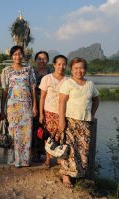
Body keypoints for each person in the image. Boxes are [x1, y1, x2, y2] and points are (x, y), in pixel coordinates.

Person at [58, 57, 99, 188]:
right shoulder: (68, 83)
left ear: (85, 70)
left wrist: (91, 114)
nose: (79, 70)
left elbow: (96, 100)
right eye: (76, 68)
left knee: (82, 149)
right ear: (71, 69)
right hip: (70, 121)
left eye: (81, 68)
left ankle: (77, 174)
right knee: (68, 148)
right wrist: (61, 120)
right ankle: (66, 175)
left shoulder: (90, 84)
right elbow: (62, 102)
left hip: (85, 123)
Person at [0, 45, 37, 167]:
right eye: (15, 54)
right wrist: (2, 109)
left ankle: (24, 160)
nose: (17, 56)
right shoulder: (6, 71)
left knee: (26, 133)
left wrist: (35, 106)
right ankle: (13, 159)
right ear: (11, 56)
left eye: (20, 54)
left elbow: (32, 89)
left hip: (26, 105)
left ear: (23, 55)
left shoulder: (29, 70)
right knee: (13, 132)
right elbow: (4, 91)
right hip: (12, 106)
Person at [39, 55, 68, 168]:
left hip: (63, 113)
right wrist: (41, 114)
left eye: (64, 64)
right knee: (49, 137)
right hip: (49, 112)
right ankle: (47, 159)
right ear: (54, 65)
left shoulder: (68, 80)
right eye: (59, 64)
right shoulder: (47, 78)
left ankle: (59, 159)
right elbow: (42, 97)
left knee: (62, 137)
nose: (61, 66)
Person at [32, 51, 51, 162]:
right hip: (35, 102)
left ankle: (47, 153)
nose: (42, 61)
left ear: (47, 60)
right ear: (36, 60)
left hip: (48, 103)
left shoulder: (51, 72)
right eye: (39, 58)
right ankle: (35, 152)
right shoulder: (32, 72)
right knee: (35, 127)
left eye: (44, 59)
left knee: (46, 128)